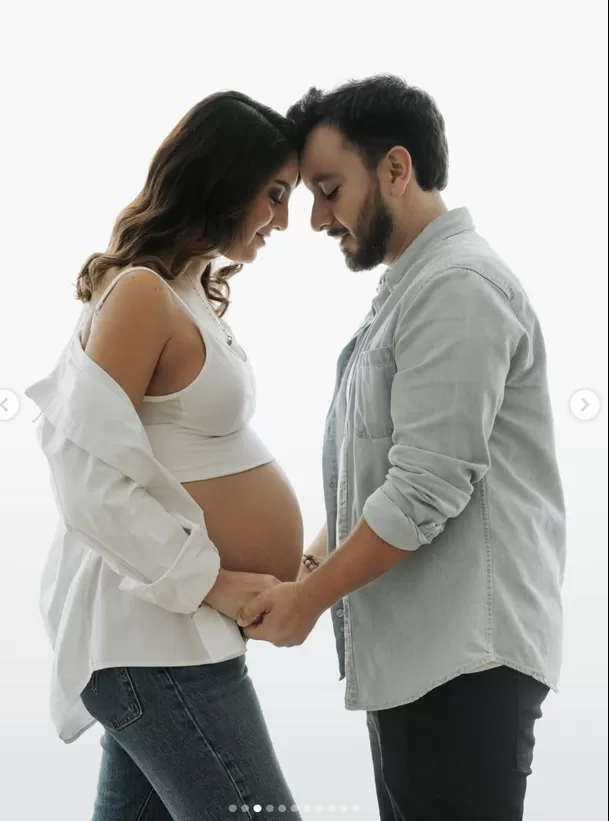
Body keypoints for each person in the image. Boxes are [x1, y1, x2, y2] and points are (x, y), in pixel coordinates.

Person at [238, 75, 566, 821]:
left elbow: (422, 490)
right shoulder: (411, 293)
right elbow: (375, 485)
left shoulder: (457, 287)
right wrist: (298, 576)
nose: (316, 219)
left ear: (395, 168)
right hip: (422, 666)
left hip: (463, 668)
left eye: (328, 189)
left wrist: (308, 601)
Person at [26, 91, 302, 821]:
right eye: (275, 195)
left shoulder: (189, 293)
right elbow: (84, 476)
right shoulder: (141, 295)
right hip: (155, 639)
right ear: (223, 178)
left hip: (170, 639)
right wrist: (214, 582)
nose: (281, 221)